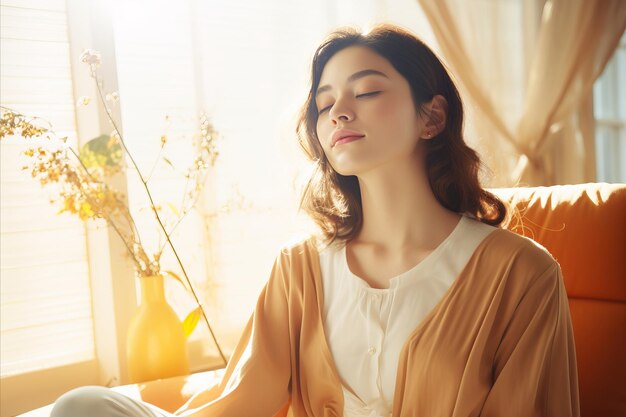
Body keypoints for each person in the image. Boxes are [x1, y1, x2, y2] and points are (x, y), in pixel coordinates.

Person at [51, 23, 580, 417]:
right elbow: (243, 402)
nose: (340, 113)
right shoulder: (300, 268)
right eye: (325, 104)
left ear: (432, 116)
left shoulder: (522, 276)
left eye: (367, 91)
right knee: (84, 405)